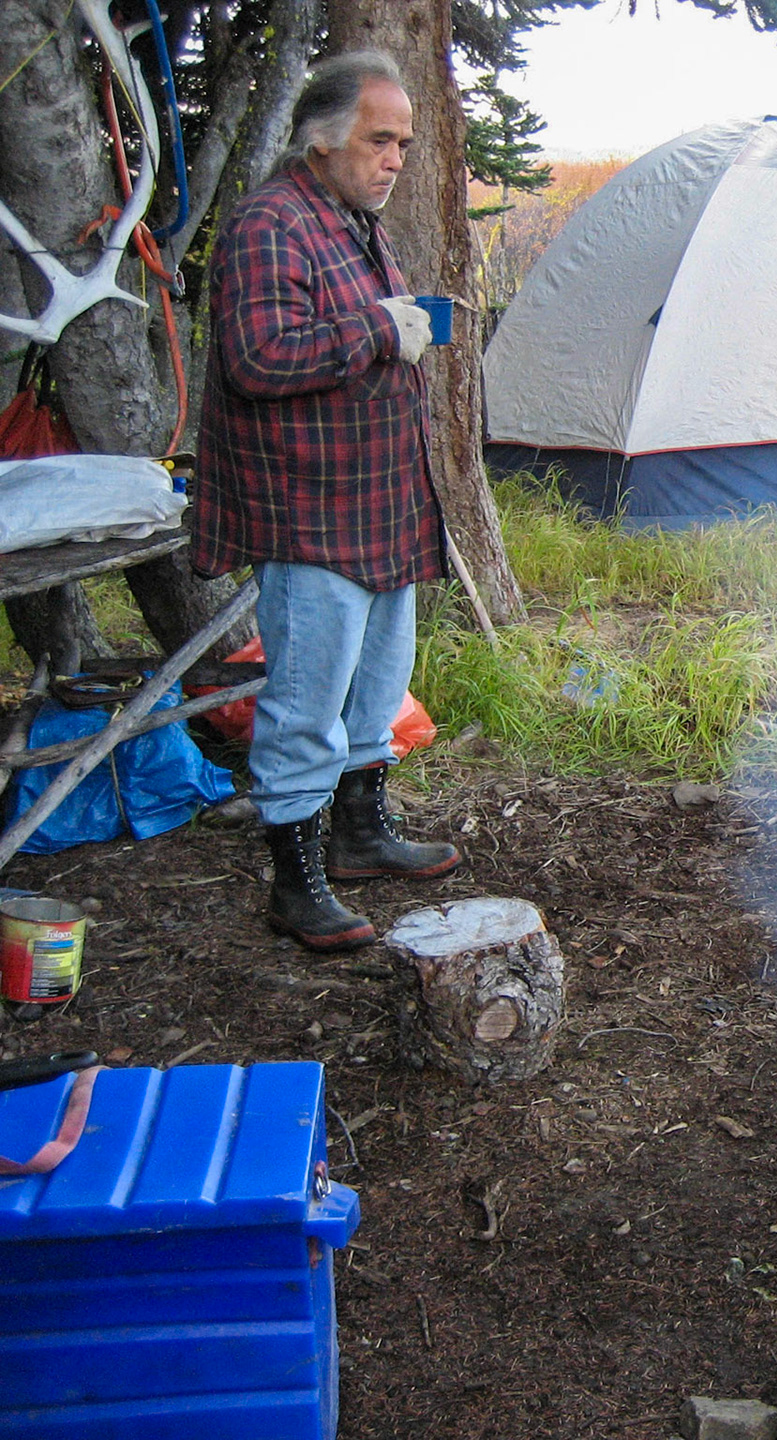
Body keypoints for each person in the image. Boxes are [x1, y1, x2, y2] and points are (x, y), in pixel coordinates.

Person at [193, 50, 460, 952]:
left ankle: (359, 831)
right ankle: (295, 885)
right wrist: (379, 328)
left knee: (379, 683)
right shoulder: (272, 223)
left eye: (404, 143)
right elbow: (258, 359)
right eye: (379, 139)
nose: (394, 158)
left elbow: (348, 336)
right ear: (321, 138)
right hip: (311, 511)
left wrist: (404, 324)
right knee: (306, 696)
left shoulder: (350, 219)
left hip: (378, 500)